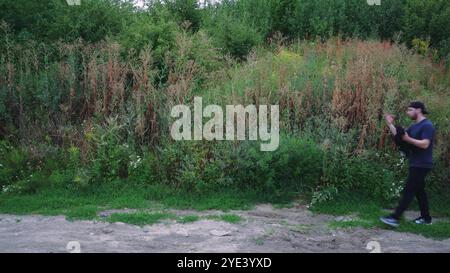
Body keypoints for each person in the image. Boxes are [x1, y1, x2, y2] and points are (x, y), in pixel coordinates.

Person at [380, 101, 435, 228]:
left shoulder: (427, 125)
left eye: (410, 110)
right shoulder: (414, 126)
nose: (408, 112)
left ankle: (394, 218)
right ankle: (426, 218)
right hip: (415, 162)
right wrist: (390, 124)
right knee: (419, 191)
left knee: (409, 190)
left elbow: (425, 144)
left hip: (422, 164)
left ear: (419, 110)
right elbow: (401, 137)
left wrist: (407, 139)